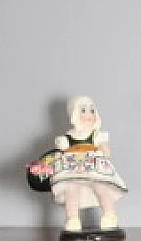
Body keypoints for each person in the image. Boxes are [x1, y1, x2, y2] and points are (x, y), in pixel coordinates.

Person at [48, 96, 127, 233]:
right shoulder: (67, 138)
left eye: (92, 110)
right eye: (83, 110)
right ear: (74, 114)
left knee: (101, 187)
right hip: (73, 169)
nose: (89, 114)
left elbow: (106, 152)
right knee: (72, 189)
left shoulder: (97, 136)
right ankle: (72, 218)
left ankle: (110, 215)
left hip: (93, 166)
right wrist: (50, 162)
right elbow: (58, 154)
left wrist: (104, 149)